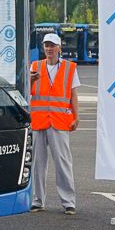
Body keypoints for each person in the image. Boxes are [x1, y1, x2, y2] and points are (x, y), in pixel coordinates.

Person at [28, 32, 79, 214]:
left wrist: (76, 116)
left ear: (59, 48)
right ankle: (37, 200)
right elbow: (27, 92)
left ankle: (68, 201)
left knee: (63, 162)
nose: (49, 49)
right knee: (37, 164)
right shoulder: (35, 66)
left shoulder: (69, 68)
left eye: (52, 45)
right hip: (39, 121)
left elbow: (73, 95)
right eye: (46, 46)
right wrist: (29, 80)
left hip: (59, 122)